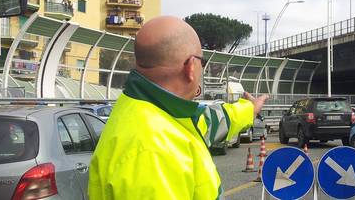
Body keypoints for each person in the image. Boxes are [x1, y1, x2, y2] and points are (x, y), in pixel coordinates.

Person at [88, 16, 268, 200]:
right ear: (190, 67)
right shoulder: (152, 153)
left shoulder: (154, 111)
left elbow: (210, 122)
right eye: (202, 62)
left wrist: (250, 109)